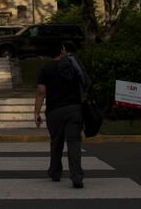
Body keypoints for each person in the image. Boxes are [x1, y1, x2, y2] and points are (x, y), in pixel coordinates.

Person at [33, 40, 89, 188]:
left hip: (54, 111)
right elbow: (84, 83)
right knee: (74, 143)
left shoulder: (46, 69)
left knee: (56, 142)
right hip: (74, 109)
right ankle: (77, 177)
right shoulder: (73, 66)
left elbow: (41, 92)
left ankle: (55, 172)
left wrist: (36, 112)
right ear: (62, 50)